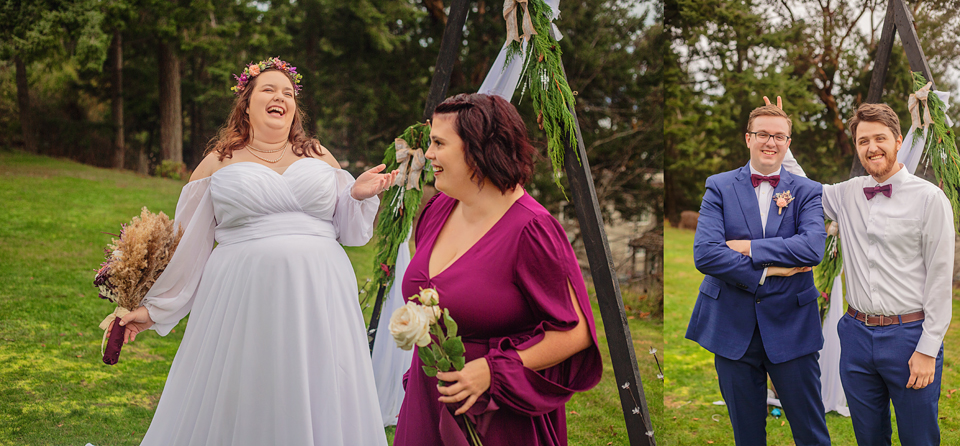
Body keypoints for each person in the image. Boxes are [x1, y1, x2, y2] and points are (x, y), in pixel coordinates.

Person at [108, 57, 396, 445]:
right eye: (269, 90)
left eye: (288, 93)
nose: (280, 97)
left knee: (319, 381)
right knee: (251, 385)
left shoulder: (318, 154)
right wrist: (154, 309)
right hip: (243, 297)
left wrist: (357, 196)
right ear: (246, 104)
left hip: (320, 294)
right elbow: (189, 247)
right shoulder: (218, 161)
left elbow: (350, 232)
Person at [392, 93, 602, 446]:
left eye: (439, 143)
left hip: (496, 413)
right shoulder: (437, 209)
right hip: (429, 398)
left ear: (478, 149)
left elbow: (576, 332)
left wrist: (493, 370)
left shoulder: (531, 229)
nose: (428, 154)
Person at [686, 104, 830, 445]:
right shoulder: (719, 186)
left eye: (779, 136)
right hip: (732, 326)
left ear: (788, 142)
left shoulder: (808, 190)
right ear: (748, 138)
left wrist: (748, 248)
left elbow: (812, 249)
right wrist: (771, 271)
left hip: (793, 326)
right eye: (763, 134)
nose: (770, 142)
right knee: (747, 436)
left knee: (811, 433)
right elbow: (706, 254)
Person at [821, 103, 953, 445]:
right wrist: (777, 137)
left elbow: (940, 279)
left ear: (897, 140)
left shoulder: (930, 199)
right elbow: (800, 187)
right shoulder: (845, 193)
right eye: (863, 141)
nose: (872, 147)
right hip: (855, 335)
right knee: (868, 438)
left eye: (879, 138)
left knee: (918, 438)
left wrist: (927, 348)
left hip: (909, 337)